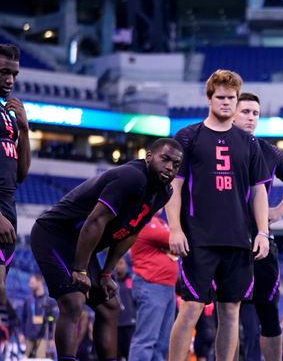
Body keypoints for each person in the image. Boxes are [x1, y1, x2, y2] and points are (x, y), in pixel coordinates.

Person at [29, 138, 183, 360]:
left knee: (110, 307)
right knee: (74, 301)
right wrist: (81, 270)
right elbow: (95, 222)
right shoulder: (131, 177)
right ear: (149, 156)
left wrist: (106, 274)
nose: (170, 167)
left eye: (176, 164)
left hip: (83, 244)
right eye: (165, 159)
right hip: (55, 235)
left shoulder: (163, 192)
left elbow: (131, 231)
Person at [167, 70, 272, 361]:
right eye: (221, 97)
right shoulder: (188, 136)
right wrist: (174, 228)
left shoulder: (249, 143)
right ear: (209, 98)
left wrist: (262, 232)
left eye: (232, 98)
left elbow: (259, 191)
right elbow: (174, 186)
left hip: (239, 240)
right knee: (190, 308)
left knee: (231, 311)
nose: (227, 103)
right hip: (198, 239)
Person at [234, 91, 283, 361]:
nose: (251, 118)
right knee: (230, 311)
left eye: (255, 113)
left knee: (268, 312)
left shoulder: (268, 151)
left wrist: (279, 210)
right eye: (245, 111)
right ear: (231, 111)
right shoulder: (219, 148)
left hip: (262, 241)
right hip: (227, 240)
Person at [0, 44, 31, 325]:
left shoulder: (8, 114)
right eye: (4, 72)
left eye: (14, 74)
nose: (10, 80)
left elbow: (21, 174)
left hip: (9, 207)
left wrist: (23, 128)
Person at [129, 212, 178, 361]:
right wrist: (170, 247)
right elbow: (175, 241)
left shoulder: (160, 223)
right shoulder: (144, 222)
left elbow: (175, 247)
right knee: (146, 340)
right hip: (151, 285)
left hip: (168, 287)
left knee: (162, 343)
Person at [20, 274, 57, 358]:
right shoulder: (28, 301)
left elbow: (52, 320)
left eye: (32, 282)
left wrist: (51, 338)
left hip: (43, 338)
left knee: (40, 358)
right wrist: (22, 333)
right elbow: (23, 318)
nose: (30, 285)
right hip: (29, 337)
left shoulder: (49, 302)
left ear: (39, 282)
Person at [115, 256, 135, 360]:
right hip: (115, 325)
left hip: (130, 324)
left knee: (130, 354)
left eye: (121, 263)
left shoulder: (132, 280)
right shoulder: (111, 282)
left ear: (126, 265)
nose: (119, 265)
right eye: (117, 263)